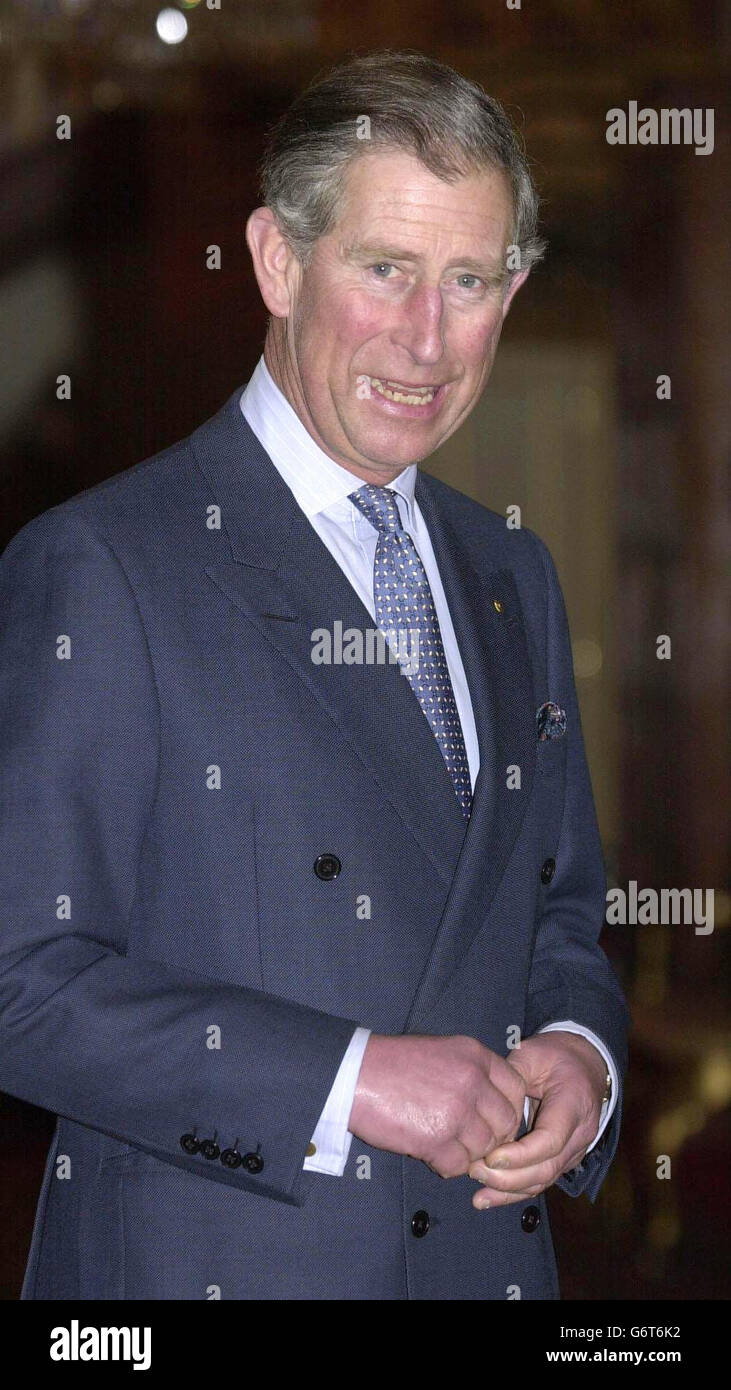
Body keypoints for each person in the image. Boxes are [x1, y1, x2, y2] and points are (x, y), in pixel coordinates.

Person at [0, 50, 628, 1301]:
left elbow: (557, 915)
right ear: (278, 263)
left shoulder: (515, 574)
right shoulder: (104, 566)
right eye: (384, 269)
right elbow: (22, 983)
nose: (426, 339)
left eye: (470, 280)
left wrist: (578, 1055)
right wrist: (348, 1080)